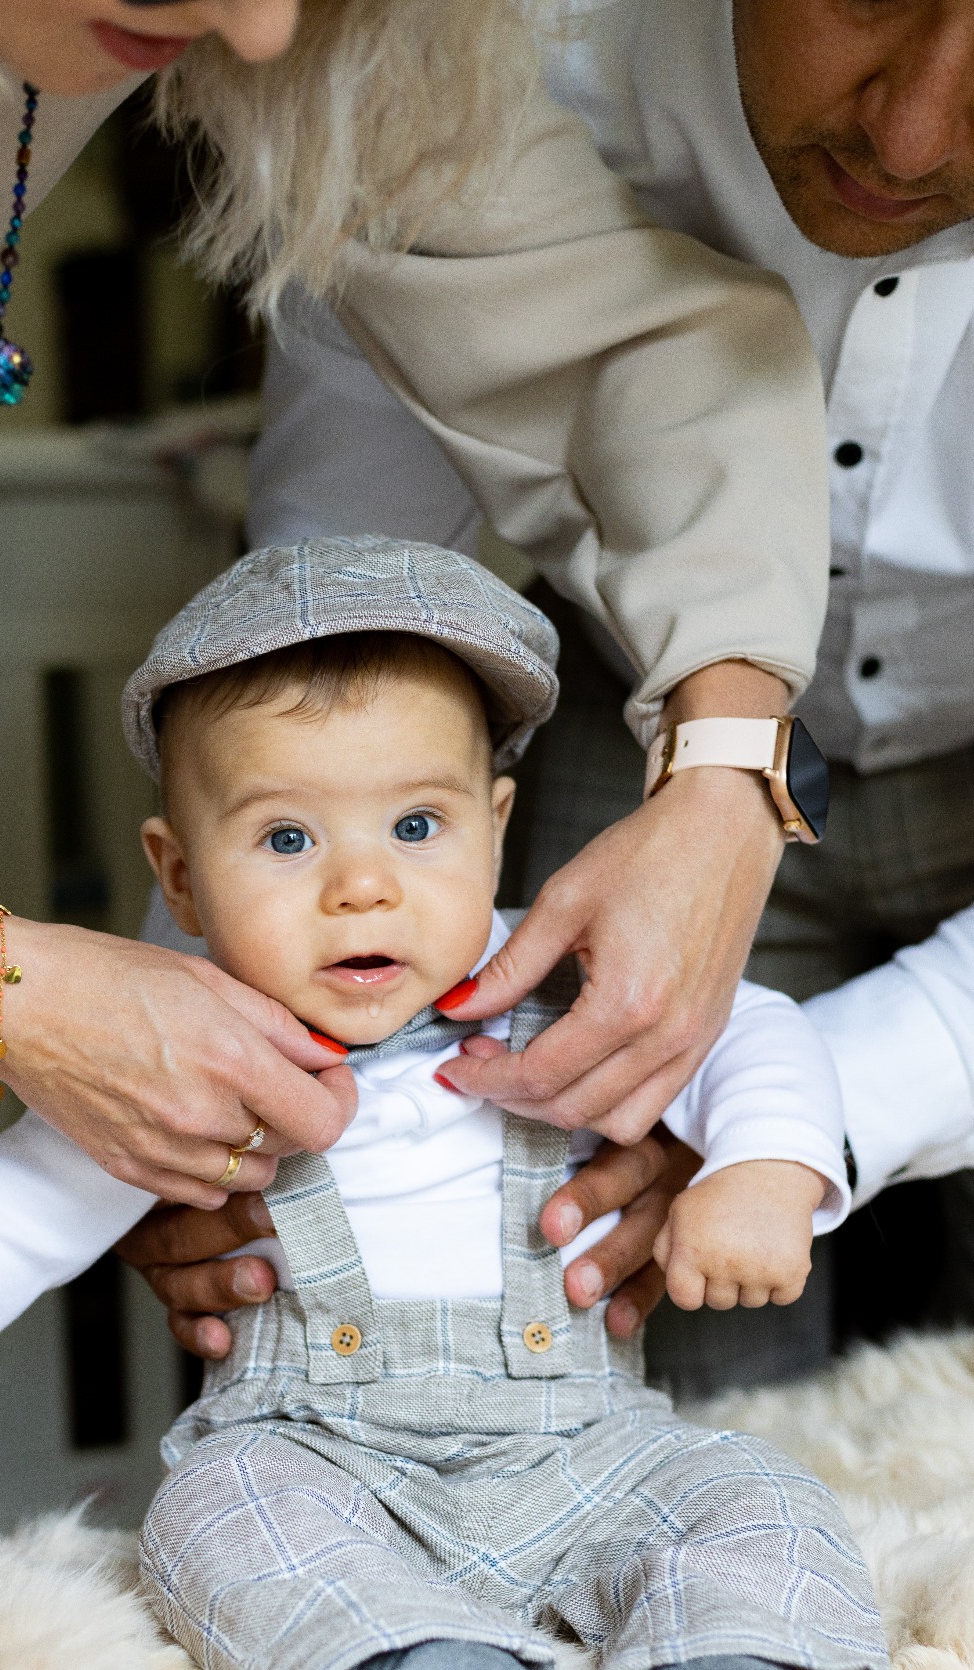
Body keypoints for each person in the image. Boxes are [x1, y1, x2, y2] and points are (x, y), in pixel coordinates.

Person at [0, 0, 842, 1581]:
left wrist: (727, 769)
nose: (254, 23)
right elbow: (0, 1223)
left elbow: (616, 336)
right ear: (172, 872)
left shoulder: (264, 25)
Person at [0, 539, 889, 1670]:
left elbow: (744, 1022)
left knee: (748, 1493)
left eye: (416, 826)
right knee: (216, 1518)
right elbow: (10, 1207)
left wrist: (765, 1170)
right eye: (287, 838)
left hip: (585, 1444)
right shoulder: (184, 1056)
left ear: (495, 827)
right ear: (179, 877)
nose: (361, 887)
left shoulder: (564, 980)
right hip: (317, 1457)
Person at [124, 0, 974, 1393]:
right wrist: (203, 1058)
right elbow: (324, 621)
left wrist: (765, 1129)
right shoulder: (489, 50)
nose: (906, 131)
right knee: (614, 1351)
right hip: (618, 712)